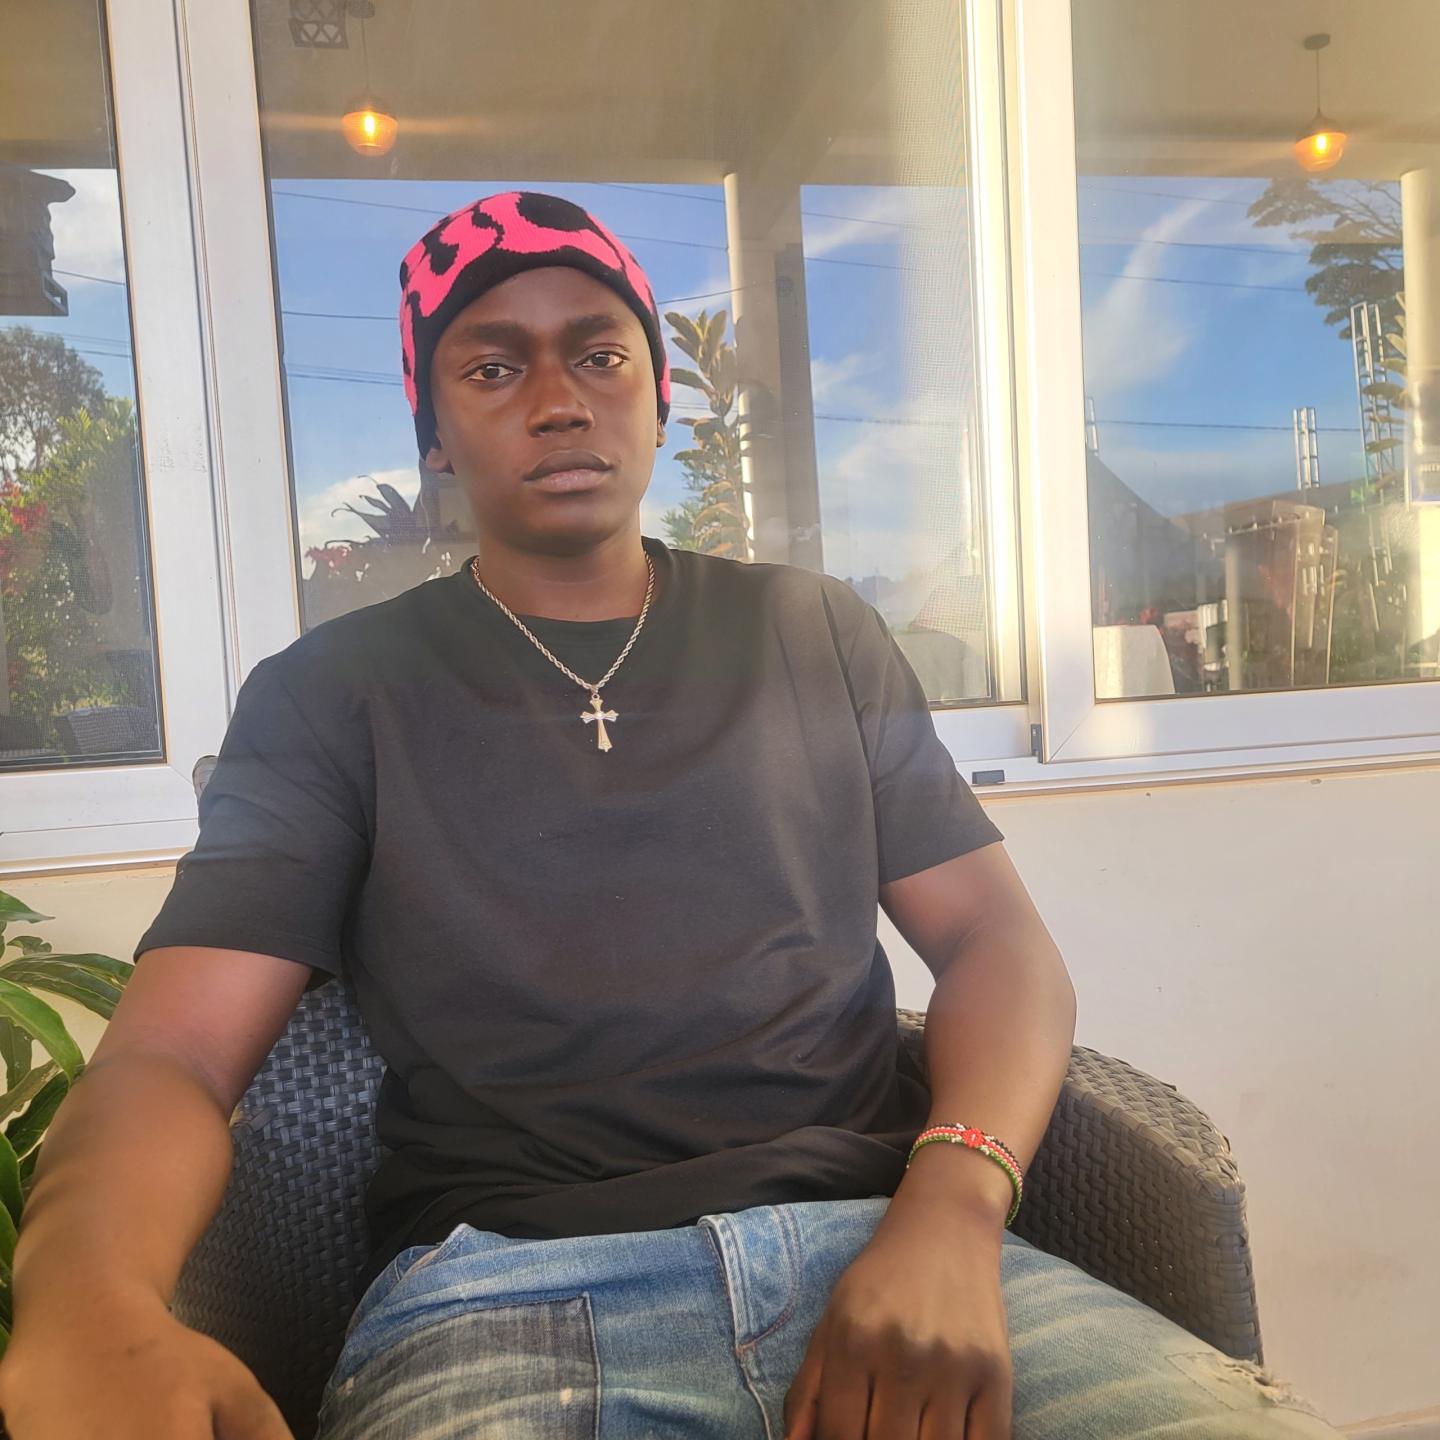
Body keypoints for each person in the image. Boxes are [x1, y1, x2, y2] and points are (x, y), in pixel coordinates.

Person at [0, 193, 1341, 1440]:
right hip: (509, 1305)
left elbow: (997, 943)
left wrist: (951, 1209)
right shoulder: (332, 695)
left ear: (657, 398)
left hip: (893, 1244)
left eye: (601, 356)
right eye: (491, 368)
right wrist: (87, 1301)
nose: (558, 402)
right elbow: (173, 1053)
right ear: (433, 434)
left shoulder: (812, 631)